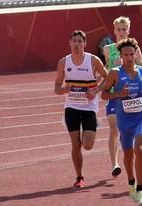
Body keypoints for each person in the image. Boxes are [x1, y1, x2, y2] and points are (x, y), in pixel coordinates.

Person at [101, 38, 142, 204]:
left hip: (141, 117)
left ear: (136, 54)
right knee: (129, 154)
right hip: (124, 119)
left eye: (132, 54)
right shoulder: (115, 73)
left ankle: (140, 189)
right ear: (121, 56)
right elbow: (104, 94)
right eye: (126, 55)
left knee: (139, 147)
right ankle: (131, 182)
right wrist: (118, 95)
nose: (130, 58)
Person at [54, 30, 108, 188]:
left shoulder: (93, 60)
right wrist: (65, 90)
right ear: (70, 43)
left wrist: (96, 91)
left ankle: (92, 127)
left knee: (87, 144)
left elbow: (107, 77)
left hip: (89, 107)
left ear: (85, 44)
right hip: (71, 106)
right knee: (75, 144)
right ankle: (79, 177)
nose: (77, 44)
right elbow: (57, 88)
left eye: (80, 41)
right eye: (74, 41)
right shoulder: (64, 62)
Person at [102, 17, 142, 179]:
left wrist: (133, 65)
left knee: (130, 129)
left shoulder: (135, 49)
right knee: (114, 129)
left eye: (124, 29)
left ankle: (131, 152)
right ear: (114, 31)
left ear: (128, 30)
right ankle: (115, 164)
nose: (121, 32)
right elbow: (105, 70)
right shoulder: (108, 49)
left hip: (133, 95)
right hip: (115, 93)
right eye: (118, 29)